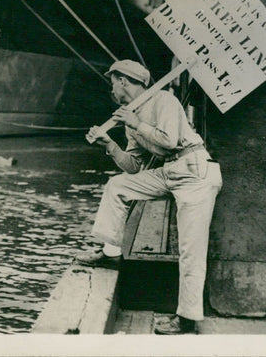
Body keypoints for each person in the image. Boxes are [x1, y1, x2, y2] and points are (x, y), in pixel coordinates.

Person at [76, 59, 222, 335]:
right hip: (170, 173)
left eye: (113, 83)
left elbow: (168, 141)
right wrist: (111, 144)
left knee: (191, 250)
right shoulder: (131, 115)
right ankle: (111, 253)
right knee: (117, 186)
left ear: (123, 81)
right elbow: (133, 166)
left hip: (195, 172)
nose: (112, 90)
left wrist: (135, 123)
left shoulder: (163, 100)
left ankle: (187, 319)